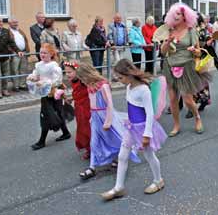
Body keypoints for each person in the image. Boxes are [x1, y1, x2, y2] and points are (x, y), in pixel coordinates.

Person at [101, 59, 167, 200]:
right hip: (131, 128)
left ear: (129, 74)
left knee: (149, 155)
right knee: (122, 156)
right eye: (117, 78)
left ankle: (158, 180)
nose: (119, 80)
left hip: (143, 129)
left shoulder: (143, 90)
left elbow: (149, 113)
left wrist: (147, 134)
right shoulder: (129, 87)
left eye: (121, 77)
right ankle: (119, 187)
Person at [76, 62, 139, 180]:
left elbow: (109, 104)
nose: (82, 81)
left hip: (105, 116)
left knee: (114, 138)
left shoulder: (103, 85)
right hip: (95, 117)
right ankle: (92, 167)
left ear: (87, 75)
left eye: (82, 78)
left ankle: (118, 158)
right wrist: (91, 117)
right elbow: (91, 103)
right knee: (94, 142)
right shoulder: (90, 86)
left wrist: (108, 121)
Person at [160, 3, 210, 136]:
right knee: (172, 99)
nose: (176, 16)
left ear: (185, 16)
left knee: (187, 99)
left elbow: (199, 52)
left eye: (179, 14)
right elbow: (163, 52)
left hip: (186, 66)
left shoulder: (191, 30)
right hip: (170, 66)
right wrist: (167, 42)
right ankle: (176, 125)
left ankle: (197, 118)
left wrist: (194, 50)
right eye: (174, 14)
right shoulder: (169, 30)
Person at [27, 43, 71, 150]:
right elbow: (36, 74)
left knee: (50, 114)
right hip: (45, 93)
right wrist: (33, 77)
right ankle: (66, 133)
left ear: (51, 54)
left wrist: (45, 82)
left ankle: (42, 141)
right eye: (41, 52)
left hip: (55, 93)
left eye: (45, 53)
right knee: (51, 114)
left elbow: (57, 80)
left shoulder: (54, 66)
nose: (42, 54)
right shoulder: (39, 65)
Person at [63, 61, 91, 160]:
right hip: (79, 109)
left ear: (77, 71)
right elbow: (78, 93)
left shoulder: (83, 81)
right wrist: (72, 98)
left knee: (88, 129)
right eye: (66, 72)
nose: (67, 75)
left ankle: (92, 149)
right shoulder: (73, 81)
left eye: (69, 72)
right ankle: (89, 149)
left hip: (87, 108)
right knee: (81, 129)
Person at [8, 17, 30, 92]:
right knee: (15, 70)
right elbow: (8, 44)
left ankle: (22, 85)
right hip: (15, 53)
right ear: (9, 23)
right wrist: (12, 51)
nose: (16, 24)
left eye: (16, 22)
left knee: (23, 69)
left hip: (23, 52)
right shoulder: (8, 32)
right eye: (14, 22)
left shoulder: (20, 30)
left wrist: (27, 50)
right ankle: (15, 86)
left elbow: (25, 40)